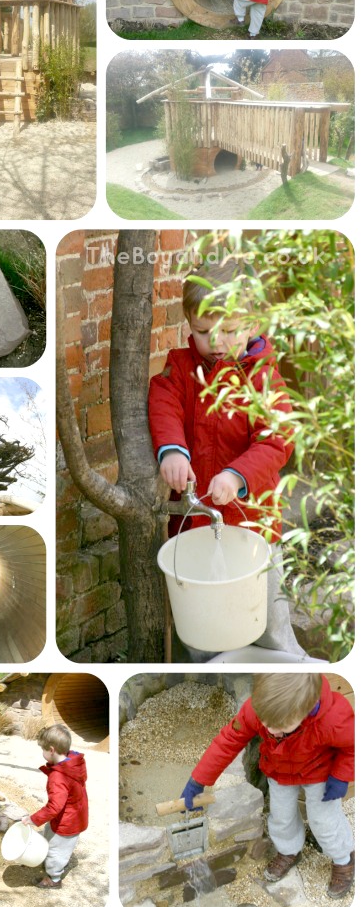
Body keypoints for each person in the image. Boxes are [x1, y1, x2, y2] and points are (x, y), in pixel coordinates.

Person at [148, 271, 306, 658]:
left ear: (252, 325)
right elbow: (164, 402)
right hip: (196, 520)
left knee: (267, 615)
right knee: (201, 621)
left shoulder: (263, 378)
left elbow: (276, 439)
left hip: (253, 523)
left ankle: (288, 667)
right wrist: (172, 450)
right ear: (188, 323)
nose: (216, 342)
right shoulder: (181, 369)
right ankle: (211, 672)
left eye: (230, 331)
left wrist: (238, 475)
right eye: (203, 332)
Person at [180, 673, 355, 898]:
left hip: (320, 773)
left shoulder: (333, 718)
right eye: (266, 723)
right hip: (279, 770)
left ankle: (343, 859)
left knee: (324, 819)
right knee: (281, 816)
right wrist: (198, 780)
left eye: (280, 726)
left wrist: (341, 777)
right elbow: (227, 741)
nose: (270, 730)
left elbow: (352, 747)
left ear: (307, 710)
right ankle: (289, 851)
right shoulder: (258, 708)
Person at [22, 724, 88, 888]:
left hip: (67, 822)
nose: (42, 753)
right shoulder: (74, 763)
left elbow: (54, 807)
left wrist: (33, 819)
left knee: (56, 851)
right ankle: (54, 863)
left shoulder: (58, 777)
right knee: (51, 838)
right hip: (73, 816)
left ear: (51, 750)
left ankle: (54, 879)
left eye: (43, 749)